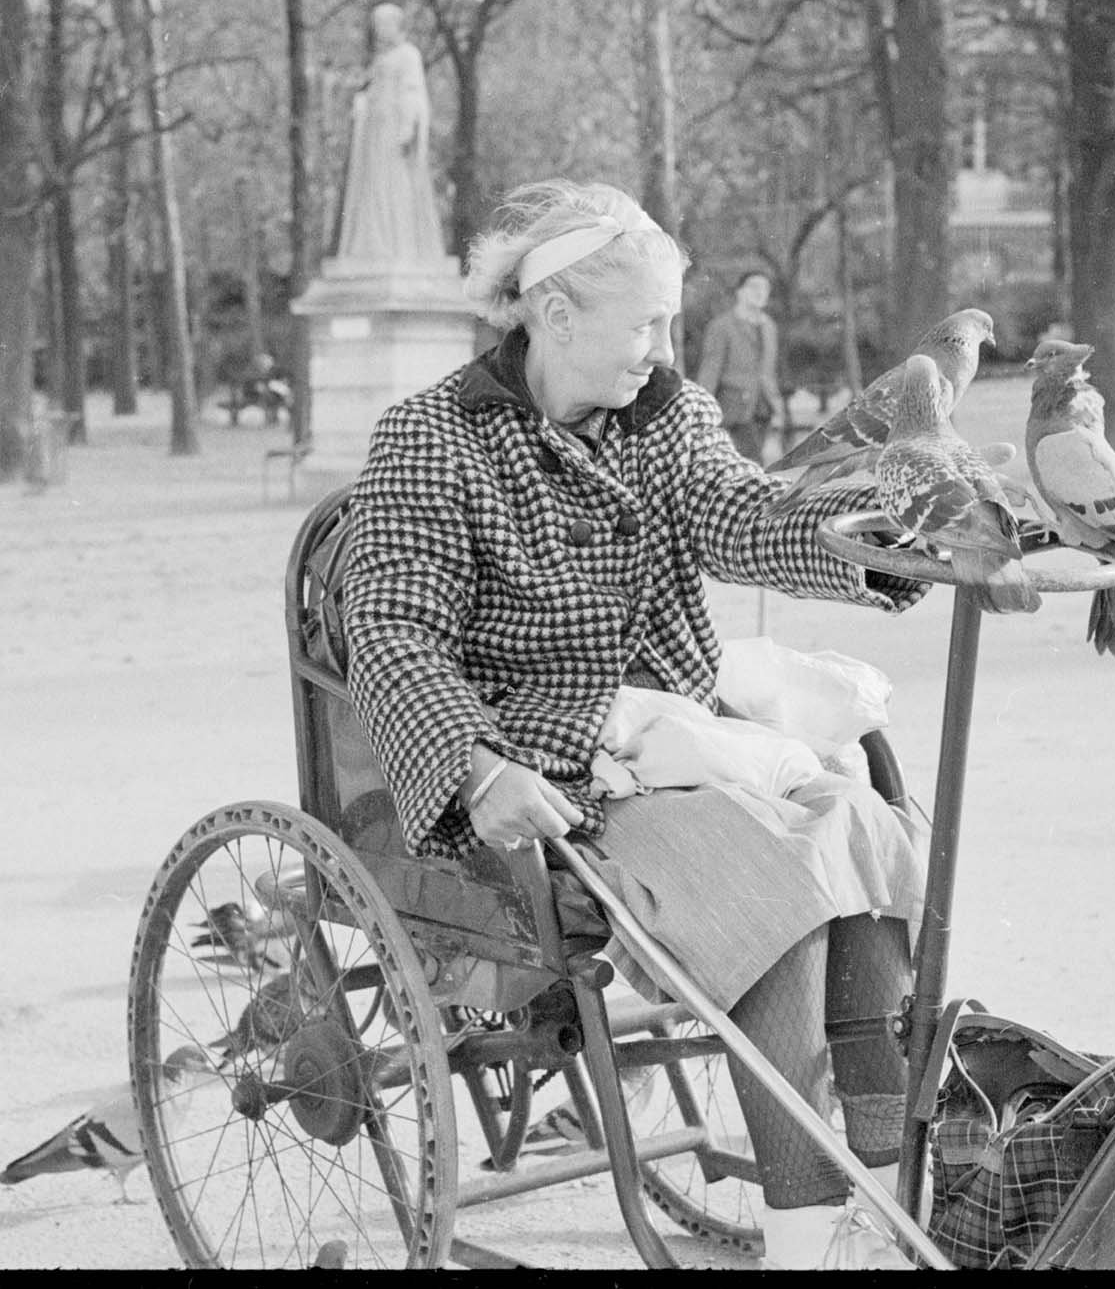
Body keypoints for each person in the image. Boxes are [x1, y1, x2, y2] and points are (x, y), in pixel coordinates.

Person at [340, 181, 933, 1269]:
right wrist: (476, 769)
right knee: (777, 893)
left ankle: (888, 1198)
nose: (666, 347)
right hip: (551, 775)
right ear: (557, 314)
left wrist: (877, 539)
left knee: (867, 836)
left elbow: (744, 517)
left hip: (680, 738)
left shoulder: (663, 414)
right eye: (649, 321)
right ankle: (804, 1247)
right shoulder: (433, 441)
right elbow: (393, 635)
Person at [334, 2, 447, 266]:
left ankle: (398, 244)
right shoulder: (381, 59)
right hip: (375, 133)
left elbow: (411, 92)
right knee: (373, 188)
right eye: (377, 26)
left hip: (394, 132)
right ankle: (374, 244)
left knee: (395, 186)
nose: (380, 31)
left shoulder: (408, 55)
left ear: (398, 25)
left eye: (384, 25)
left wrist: (407, 127)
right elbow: (371, 93)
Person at [697, 270, 786, 461]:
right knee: (751, 465)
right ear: (739, 292)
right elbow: (709, 372)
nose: (760, 292)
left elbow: (768, 372)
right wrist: (702, 412)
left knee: (754, 464)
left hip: (763, 408)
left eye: (765, 288)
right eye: (754, 286)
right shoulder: (721, 326)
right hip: (733, 410)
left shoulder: (769, 326)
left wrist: (777, 407)